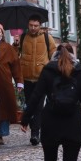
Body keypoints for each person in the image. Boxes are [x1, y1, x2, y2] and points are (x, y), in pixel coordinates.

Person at [19, 15, 56, 145]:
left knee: (38, 106)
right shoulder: (23, 37)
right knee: (30, 105)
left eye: (36, 25)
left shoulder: (47, 37)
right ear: (28, 25)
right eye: (31, 25)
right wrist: (15, 44)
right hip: (27, 77)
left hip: (42, 78)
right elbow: (16, 54)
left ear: (40, 25)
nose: (33, 28)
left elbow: (54, 54)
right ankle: (34, 129)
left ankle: (35, 133)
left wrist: (50, 70)